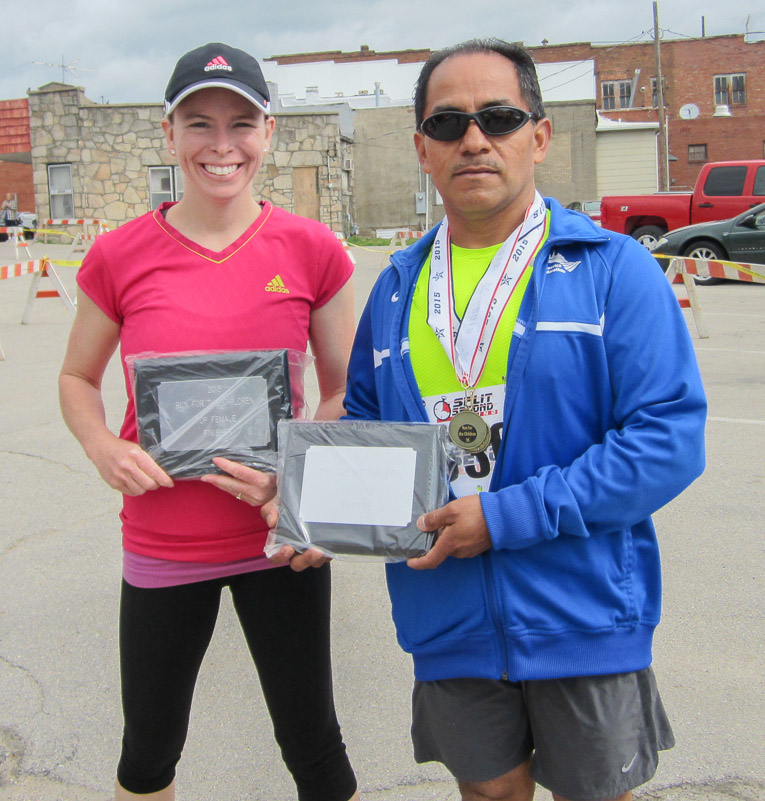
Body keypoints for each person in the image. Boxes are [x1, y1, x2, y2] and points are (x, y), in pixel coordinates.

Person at [336, 38, 706, 801]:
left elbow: (666, 440)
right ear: (422, 149)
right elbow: (366, 428)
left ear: (538, 136)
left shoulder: (610, 269)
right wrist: (312, 499)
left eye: (498, 118)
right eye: (447, 124)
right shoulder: (397, 288)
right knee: (488, 793)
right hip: (446, 616)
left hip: (582, 613)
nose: (473, 139)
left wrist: (503, 518)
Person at [59, 42, 360, 801]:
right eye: (199, 123)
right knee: (147, 755)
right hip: (163, 541)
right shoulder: (119, 255)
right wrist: (101, 446)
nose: (221, 145)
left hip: (278, 540)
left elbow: (344, 390)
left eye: (241, 124)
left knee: (316, 750)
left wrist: (296, 475)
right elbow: (76, 377)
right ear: (169, 134)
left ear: (269, 133)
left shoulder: (313, 249)